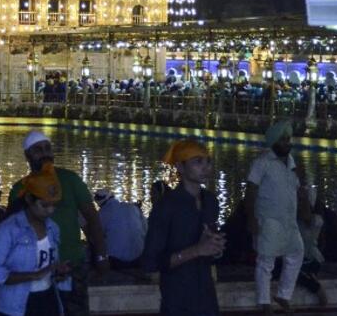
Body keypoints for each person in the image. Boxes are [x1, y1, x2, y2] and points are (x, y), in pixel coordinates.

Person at [8, 131, 109, 316]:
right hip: (35, 268)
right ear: (27, 156)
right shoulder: (19, 190)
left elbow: (92, 218)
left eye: (47, 148)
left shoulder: (70, 180)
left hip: (71, 263)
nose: (45, 153)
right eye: (38, 150)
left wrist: (101, 255)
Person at [142, 140, 226, 315]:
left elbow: (209, 246)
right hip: (177, 296)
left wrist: (216, 247)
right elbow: (151, 261)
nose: (205, 167)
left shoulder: (210, 201)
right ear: (180, 167)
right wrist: (196, 250)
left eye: (207, 161)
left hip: (206, 293)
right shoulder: (166, 206)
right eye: (197, 161)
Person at [0, 164, 69, 316]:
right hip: (15, 306)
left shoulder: (53, 228)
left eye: (53, 206)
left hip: (48, 300)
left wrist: (58, 273)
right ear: (29, 199)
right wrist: (33, 275)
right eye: (44, 205)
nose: (50, 211)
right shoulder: (8, 230)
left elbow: (49, 266)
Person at [244, 120, 307, 315]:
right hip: (269, 219)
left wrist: (305, 209)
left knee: (296, 253)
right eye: (284, 140)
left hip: (288, 219)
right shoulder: (262, 163)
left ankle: (283, 295)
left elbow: (298, 189)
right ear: (274, 142)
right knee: (266, 260)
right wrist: (251, 219)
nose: (288, 143)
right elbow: (251, 191)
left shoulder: (291, 162)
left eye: (289, 139)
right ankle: (264, 302)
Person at [93, 189, 147, 270]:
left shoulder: (102, 213)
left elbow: (96, 236)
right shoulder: (132, 207)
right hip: (139, 258)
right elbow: (146, 230)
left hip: (116, 261)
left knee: (97, 247)